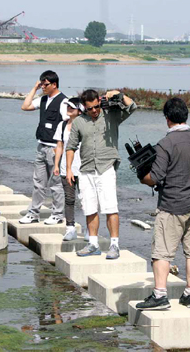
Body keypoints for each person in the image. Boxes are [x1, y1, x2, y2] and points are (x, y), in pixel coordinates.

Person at [136, 98, 190, 310]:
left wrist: (142, 175)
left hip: (173, 205)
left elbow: (155, 177)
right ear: (186, 115)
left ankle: (160, 296)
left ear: (167, 119)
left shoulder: (165, 144)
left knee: (162, 251)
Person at [66, 89, 136, 260]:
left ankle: (114, 245)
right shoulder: (79, 122)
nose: (95, 111)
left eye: (96, 106)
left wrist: (118, 93)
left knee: (110, 207)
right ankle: (93, 244)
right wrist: (68, 169)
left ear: (99, 101)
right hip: (86, 169)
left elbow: (133, 106)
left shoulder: (112, 115)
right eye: (90, 108)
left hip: (106, 167)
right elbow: (71, 146)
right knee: (89, 208)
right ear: (84, 107)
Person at [19, 70, 67, 225]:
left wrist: (62, 148)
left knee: (56, 184)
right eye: (41, 84)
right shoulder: (43, 99)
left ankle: (58, 214)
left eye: (45, 85)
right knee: (38, 183)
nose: (43, 87)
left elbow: (69, 125)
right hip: (41, 146)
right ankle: (33, 213)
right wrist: (34, 88)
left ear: (54, 84)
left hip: (55, 149)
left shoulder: (64, 102)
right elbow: (25, 106)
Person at [53, 97, 84, 241]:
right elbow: (59, 146)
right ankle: (70, 228)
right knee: (69, 199)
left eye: (72, 107)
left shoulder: (86, 125)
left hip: (84, 168)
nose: (69, 109)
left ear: (80, 110)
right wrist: (56, 165)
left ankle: (91, 230)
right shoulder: (62, 125)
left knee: (87, 200)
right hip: (67, 168)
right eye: (68, 106)